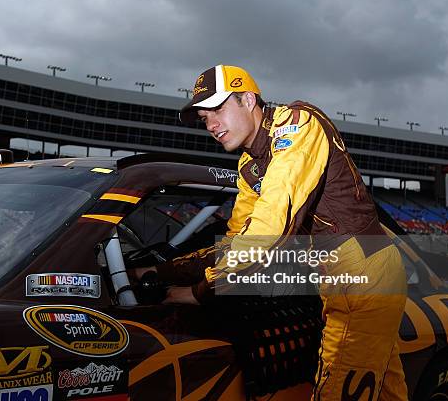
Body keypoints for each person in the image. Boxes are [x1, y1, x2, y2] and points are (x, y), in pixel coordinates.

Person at [160, 65, 408, 400]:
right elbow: (235, 239)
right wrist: (162, 270)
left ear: (248, 100)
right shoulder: (249, 166)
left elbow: (268, 227)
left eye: (218, 109)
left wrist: (201, 290)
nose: (212, 125)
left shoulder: (296, 123)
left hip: (362, 274)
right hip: (342, 277)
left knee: (335, 390)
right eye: (205, 118)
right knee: (386, 392)